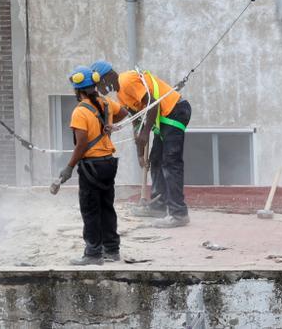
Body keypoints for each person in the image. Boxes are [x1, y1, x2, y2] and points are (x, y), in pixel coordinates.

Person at [92, 61, 191, 228]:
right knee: (156, 160)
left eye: (99, 85)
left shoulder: (126, 81)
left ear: (107, 77)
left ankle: (178, 213)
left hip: (174, 111)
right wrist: (139, 152)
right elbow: (137, 121)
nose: (100, 91)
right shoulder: (121, 94)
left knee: (170, 162)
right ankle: (159, 206)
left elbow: (154, 104)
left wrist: (145, 134)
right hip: (165, 118)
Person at [55, 65, 127, 265]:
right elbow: (123, 112)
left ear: (78, 90)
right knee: (106, 207)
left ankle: (93, 254)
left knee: (90, 209)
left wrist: (69, 167)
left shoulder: (80, 112)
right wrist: (108, 125)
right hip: (108, 164)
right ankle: (112, 250)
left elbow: (82, 144)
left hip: (91, 167)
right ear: (94, 85)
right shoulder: (106, 103)